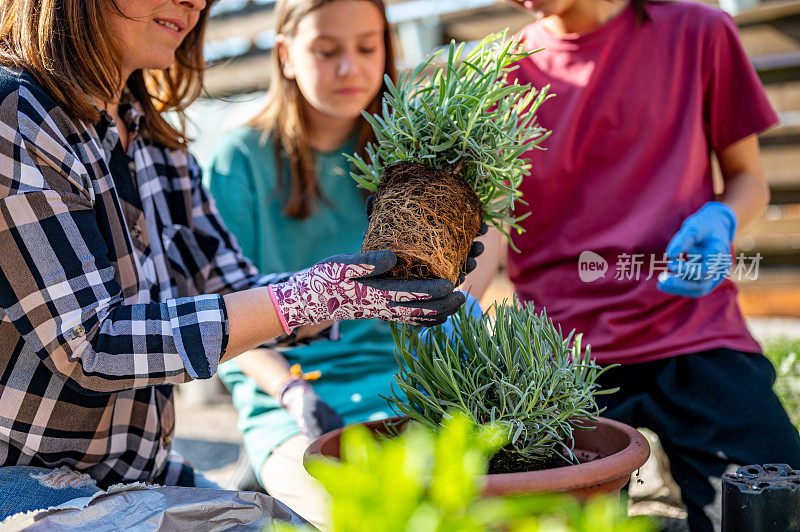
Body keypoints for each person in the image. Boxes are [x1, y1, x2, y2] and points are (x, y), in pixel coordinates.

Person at [0, 0, 467, 518]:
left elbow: (230, 288)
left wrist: (365, 287)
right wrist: (308, 303)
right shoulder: (17, 117)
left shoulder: (154, 138)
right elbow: (90, 342)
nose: (195, 3)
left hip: (132, 473)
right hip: (25, 479)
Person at [464, 1, 800, 530]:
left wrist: (723, 218)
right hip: (559, 357)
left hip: (693, 333)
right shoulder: (502, 71)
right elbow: (496, 221)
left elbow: (748, 178)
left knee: (776, 505)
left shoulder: (700, 31)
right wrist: (460, 299)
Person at [203, 0, 485, 526]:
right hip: (293, 393)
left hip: (412, 381)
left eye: (366, 47)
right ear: (285, 55)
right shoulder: (239, 160)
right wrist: (289, 392)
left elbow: (488, 257)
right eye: (326, 51)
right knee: (352, 516)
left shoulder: (415, 154)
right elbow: (218, 316)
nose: (349, 68)